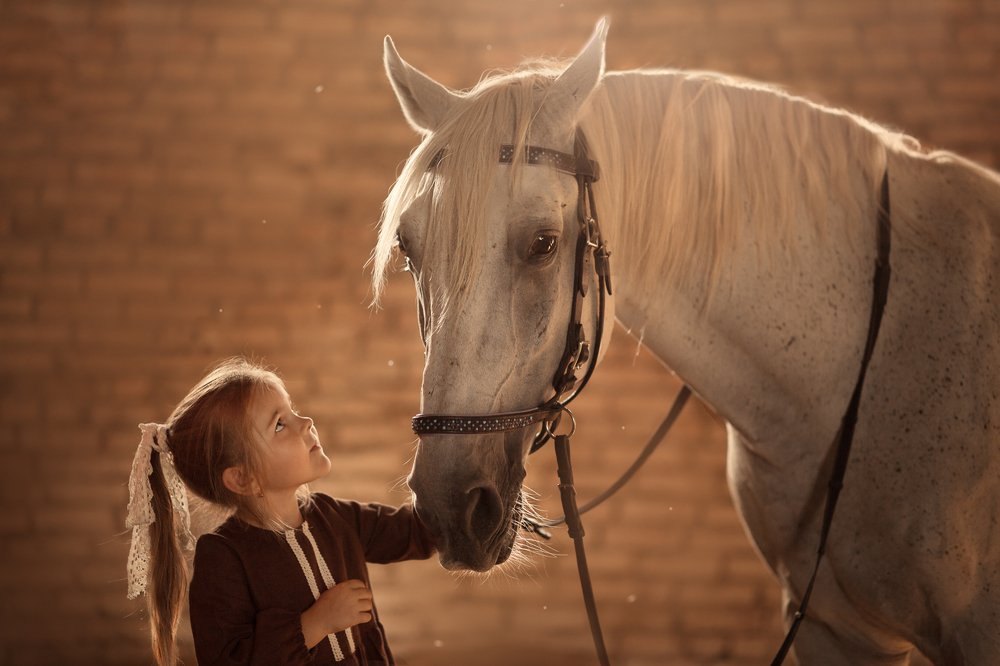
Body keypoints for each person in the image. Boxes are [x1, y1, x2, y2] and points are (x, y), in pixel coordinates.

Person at [125, 357, 436, 665]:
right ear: (243, 478)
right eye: (279, 424)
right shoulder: (223, 557)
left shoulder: (334, 517)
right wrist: (314, 625)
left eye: (293, 410)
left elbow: (416, 531)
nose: (306, 422)